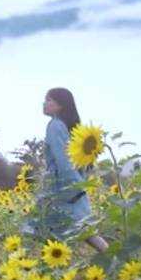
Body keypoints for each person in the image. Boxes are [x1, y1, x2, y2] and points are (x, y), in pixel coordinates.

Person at [41, 87, 109, 252]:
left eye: (49, 100)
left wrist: (75, 189)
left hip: (62, 190)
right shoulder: (66, 126)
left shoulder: (55, 126)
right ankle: (113, 258)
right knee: (83, 232)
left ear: (61, 105)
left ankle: (116, 259)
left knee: (51, 234)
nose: (44, 103)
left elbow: (64, 161)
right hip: (71, 187)